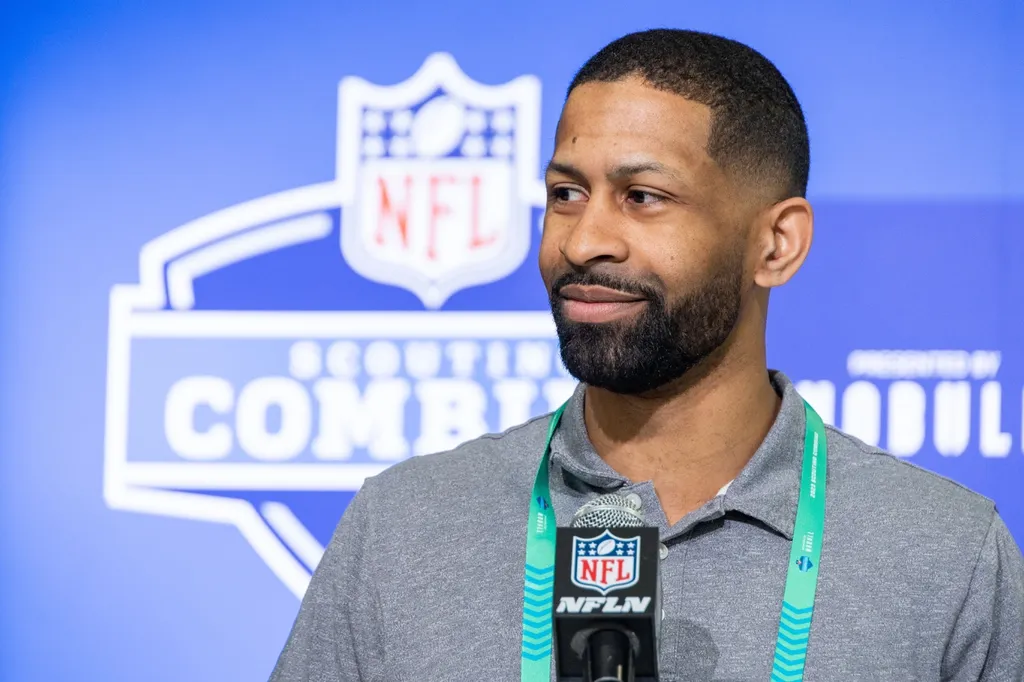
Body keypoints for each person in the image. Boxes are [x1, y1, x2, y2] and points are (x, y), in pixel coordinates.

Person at [269, 29, 1024, 681]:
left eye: (642, 197)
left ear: (776, 243)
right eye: (566, 193)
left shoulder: (946, 552)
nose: (582, 240)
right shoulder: (404, 526)